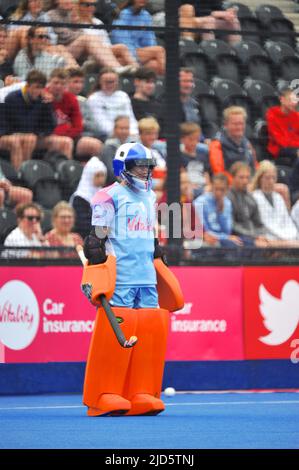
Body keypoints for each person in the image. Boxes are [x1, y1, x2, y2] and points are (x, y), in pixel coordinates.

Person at [81, 142, 182, 416]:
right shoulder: (107, 196)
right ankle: (104, 394)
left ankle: (142, 392)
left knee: (150, 331)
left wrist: (157, 254)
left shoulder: (150, 198)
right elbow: (96, 240)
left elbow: (150, 235)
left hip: (146, 277)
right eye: (139, 166)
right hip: (121, 278)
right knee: (117, 331)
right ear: (123, 168)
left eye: (148, 167)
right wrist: (96, 265)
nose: (145, 172)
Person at [1, 69, 69, 170]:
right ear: (27, 86)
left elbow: (50, 126)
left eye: (41, 88)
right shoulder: (13, 98)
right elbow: (23, 125)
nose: (38, 91)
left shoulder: (42, 100)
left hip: (33, 135)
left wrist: (48, 105)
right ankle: (22, 174)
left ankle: (65, 175)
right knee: (29, 139)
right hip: (8, 134)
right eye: (36, 87)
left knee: (66, 142)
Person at [47, 0, 128, 71]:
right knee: (88, 38)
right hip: (61, 51)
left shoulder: (70, 14)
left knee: (120, 53)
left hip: (77, 49)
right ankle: (116, 69)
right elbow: (66, 36)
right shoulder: (52, 15)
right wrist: (78, 32)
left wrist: (76, 27)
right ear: (56, 1)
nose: (68, 1)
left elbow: (79, 32)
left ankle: (133, 71)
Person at [46, 67, 103, 160]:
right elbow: (45, 127)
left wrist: (69, 129)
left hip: (71, 136)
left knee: (96, 145)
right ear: (50, 82)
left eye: (62, 83)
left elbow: (78, 127)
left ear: (65, 84)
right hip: (48, 137)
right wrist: (67, 127)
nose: (59, 86)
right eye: (56, 83)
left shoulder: (73, 99)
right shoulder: (44, 97)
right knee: (66, 142)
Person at [77, 0, 138, 69]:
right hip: (89, 54)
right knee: (121, 52)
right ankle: (129, 70)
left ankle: (136, 70)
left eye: (93, 5)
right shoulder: (77, 22)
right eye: (87, 5)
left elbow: (107, 42)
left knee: (121, 53)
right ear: (79, 6)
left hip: (105, 51)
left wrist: (109, 54)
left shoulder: (97, 22)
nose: (91, 7)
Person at [111, 0, 165, 75]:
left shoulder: (146, 15)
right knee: (159, 50)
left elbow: (150, 40)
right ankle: (170, 81)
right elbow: (121, 41)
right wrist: (147, 54)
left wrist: (150, 56)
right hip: (124, 55)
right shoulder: (123, 14)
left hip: (140, 55)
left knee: (154, 64)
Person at [252, 160, 299, 246]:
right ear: (260, 178)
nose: (271, 181)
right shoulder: (255, 197)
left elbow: (287, 221)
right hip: (267, 238)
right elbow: (263, 224)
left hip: (286, 237)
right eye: (267, 178)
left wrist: (290, 236)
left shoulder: (278, 197)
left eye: (273, 178)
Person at [194, 173, 245, 247]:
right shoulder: (200, 202)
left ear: (227, 189)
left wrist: (221, 212)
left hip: (223, 239)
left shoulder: (227, 203)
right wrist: (225, 237)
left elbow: (227, 230)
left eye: (222, 190)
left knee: (242, 243)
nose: (219, 193)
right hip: (207, 239)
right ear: (211, 187)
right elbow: (205, 231)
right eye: (216, 189)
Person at [86, 67, 138, 141]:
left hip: (130, 135)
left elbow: (131, 118)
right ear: (100, 82)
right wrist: (120, 134)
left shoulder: (123, 96)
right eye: (107, 82)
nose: (109, 85)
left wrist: (134, 132)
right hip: (108, 137)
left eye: (112, 82)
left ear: (117, 82)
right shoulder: (94, 98)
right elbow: (101, 124)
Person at [209, 106, 257, 185]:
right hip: (228, 187)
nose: (239, 127)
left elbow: (255, 167)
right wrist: (242, 184)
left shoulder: (247, 143)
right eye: (235, 124)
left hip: (248, 184)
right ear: (225, 125)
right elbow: (219, 174)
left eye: (241, 123)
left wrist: (255, 183)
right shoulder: (216, 144)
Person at [227, 162, 270, 247]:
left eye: (247, 177)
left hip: (253, 235)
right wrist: (253, 235)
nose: (245, 181)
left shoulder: (251, 198)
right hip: (238, 237)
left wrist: (261, 234)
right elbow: (232, 225)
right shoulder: (228, 198)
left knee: (269, 244)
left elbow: (259, 223)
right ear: (232, 178)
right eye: (241, 177)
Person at [266, 88, 299, 195]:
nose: (293, 103)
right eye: (290, 100)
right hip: (279, 149)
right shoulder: (272, 113)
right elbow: (280, 140)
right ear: (282, 99)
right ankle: (292, 188)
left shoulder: (296, 116)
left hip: (294, 148)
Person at [70, 156, 107, 239]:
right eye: (98, 175)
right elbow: (82, 224)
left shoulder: (104, 196)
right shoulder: (80, 197)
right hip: (85, 238)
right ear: (89, 175)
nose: (101, 179)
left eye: (103, 175)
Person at [180, 122, 210, 197]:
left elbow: (206, 173)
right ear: (182, 139)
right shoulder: (179, 156)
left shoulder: (203, 155)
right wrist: (189, 185)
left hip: (203, 186)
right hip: (189, 186)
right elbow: (182, 174)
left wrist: (208, 185)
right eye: (191, 139)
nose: (194, 142)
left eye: (197, 139)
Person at [100, 115, 131, 184]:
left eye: (126, 128)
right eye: (121, 128)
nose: (124, 131)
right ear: (114, 129)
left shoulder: (132, 146)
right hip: (115, 186)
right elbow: (112, 174)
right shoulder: (108, 148)